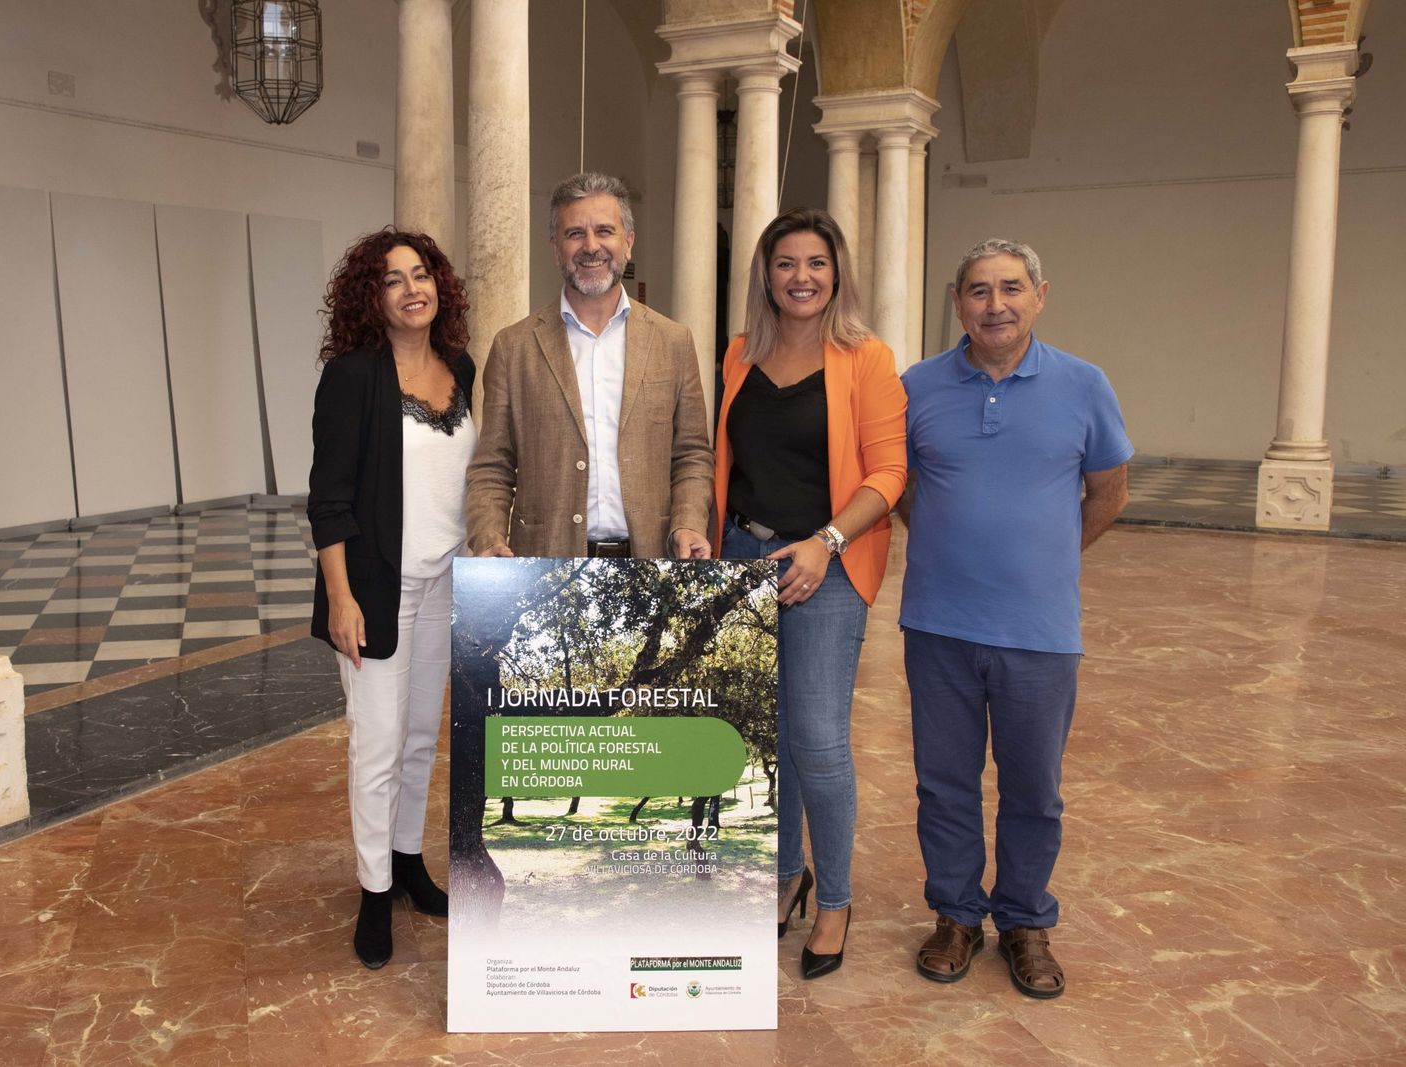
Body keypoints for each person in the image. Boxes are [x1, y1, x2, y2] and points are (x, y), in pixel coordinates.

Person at [899, 237, 1131, 1000]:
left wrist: (1050, 557)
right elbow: (896, 486)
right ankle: (957, 915)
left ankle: (1026, 921)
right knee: (945, 781)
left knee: (1033, 786)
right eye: (977, 290)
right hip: (938, 623)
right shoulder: (918, 388)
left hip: (1039, 630)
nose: (994, 304)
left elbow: (1109, 492)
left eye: (1010, 288)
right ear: (958, 301)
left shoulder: (1084, 384)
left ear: (1040, 293)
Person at [711, 208, 907, 980]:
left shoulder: (866, 358)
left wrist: (826, 543)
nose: (801, 277)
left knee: (818, 739)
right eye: (786, 263)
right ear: (766, 274)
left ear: (837, 273)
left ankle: (836, 900)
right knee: (764, 733)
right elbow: (723, 461)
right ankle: (783, 872)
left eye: (816, 263)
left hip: (826, 564)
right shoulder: (737, 355)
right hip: (744, 556)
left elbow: (889, 475)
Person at [308, 228, 476, 970]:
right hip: (378, 589)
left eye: (422, 274)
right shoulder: (352, 377)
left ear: (440, 284)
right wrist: (341, 598)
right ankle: (374, 890)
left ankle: (407, 860)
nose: (413, 289)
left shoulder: (462, 367)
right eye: (392, 280)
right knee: (375, 746)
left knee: (417, 739)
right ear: (369, 300)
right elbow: (329, 501)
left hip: (447, 580)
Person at [465, 172, 713, 560]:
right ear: (555, 248)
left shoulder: (673, 342)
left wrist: (688, 522)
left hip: (652, 563)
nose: (591, 246)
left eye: (604, 231)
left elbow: (692, 455)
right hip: (546, 568)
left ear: (628, 242)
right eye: (575, 233)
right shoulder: (514, 347)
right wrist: (489, 538)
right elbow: (493, 467)